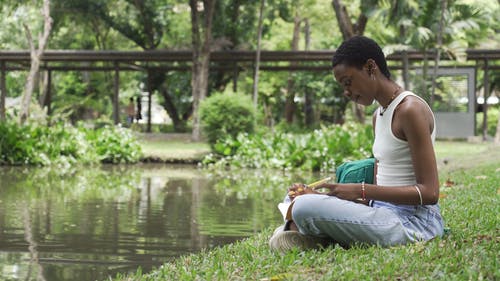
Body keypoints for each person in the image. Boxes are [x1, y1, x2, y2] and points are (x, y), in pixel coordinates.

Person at [269, 36, 444, 251]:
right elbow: (381, 192)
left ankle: (304, 233)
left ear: (370, 67)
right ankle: (311, 232)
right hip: (380, 211)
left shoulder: (410, 110)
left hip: (414, 222)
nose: (347, 92)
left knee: (304, 208)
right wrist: (323, 197)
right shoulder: (378, 115)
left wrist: (361, 190)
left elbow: (429, 193)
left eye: (348, 82)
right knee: (296, 198)